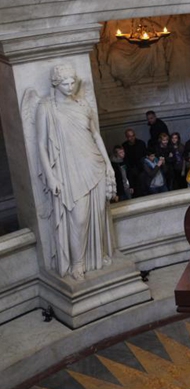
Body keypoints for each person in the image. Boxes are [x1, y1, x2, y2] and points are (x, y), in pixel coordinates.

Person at [33, 64, 116, 280]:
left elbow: (96, 136)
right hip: (70, 170)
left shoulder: (83, 104)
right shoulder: (46, 108)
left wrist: (108, 164)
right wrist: (51, 176)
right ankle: (77, 263)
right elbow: (41, 145)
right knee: (78, 218)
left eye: (72, 82)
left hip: (93, 163)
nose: (70, 87)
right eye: (64, 83)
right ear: (55, 84)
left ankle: (96, 255)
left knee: (97, 214)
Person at [122, 128, 147, 198]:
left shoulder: (141, 143)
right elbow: (125, 160)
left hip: (141, 168)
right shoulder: (124, 146)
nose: (132, 138)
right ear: (126, 137)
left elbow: (144, 156)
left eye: (133, 135)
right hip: (130, 169)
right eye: (129, 136)